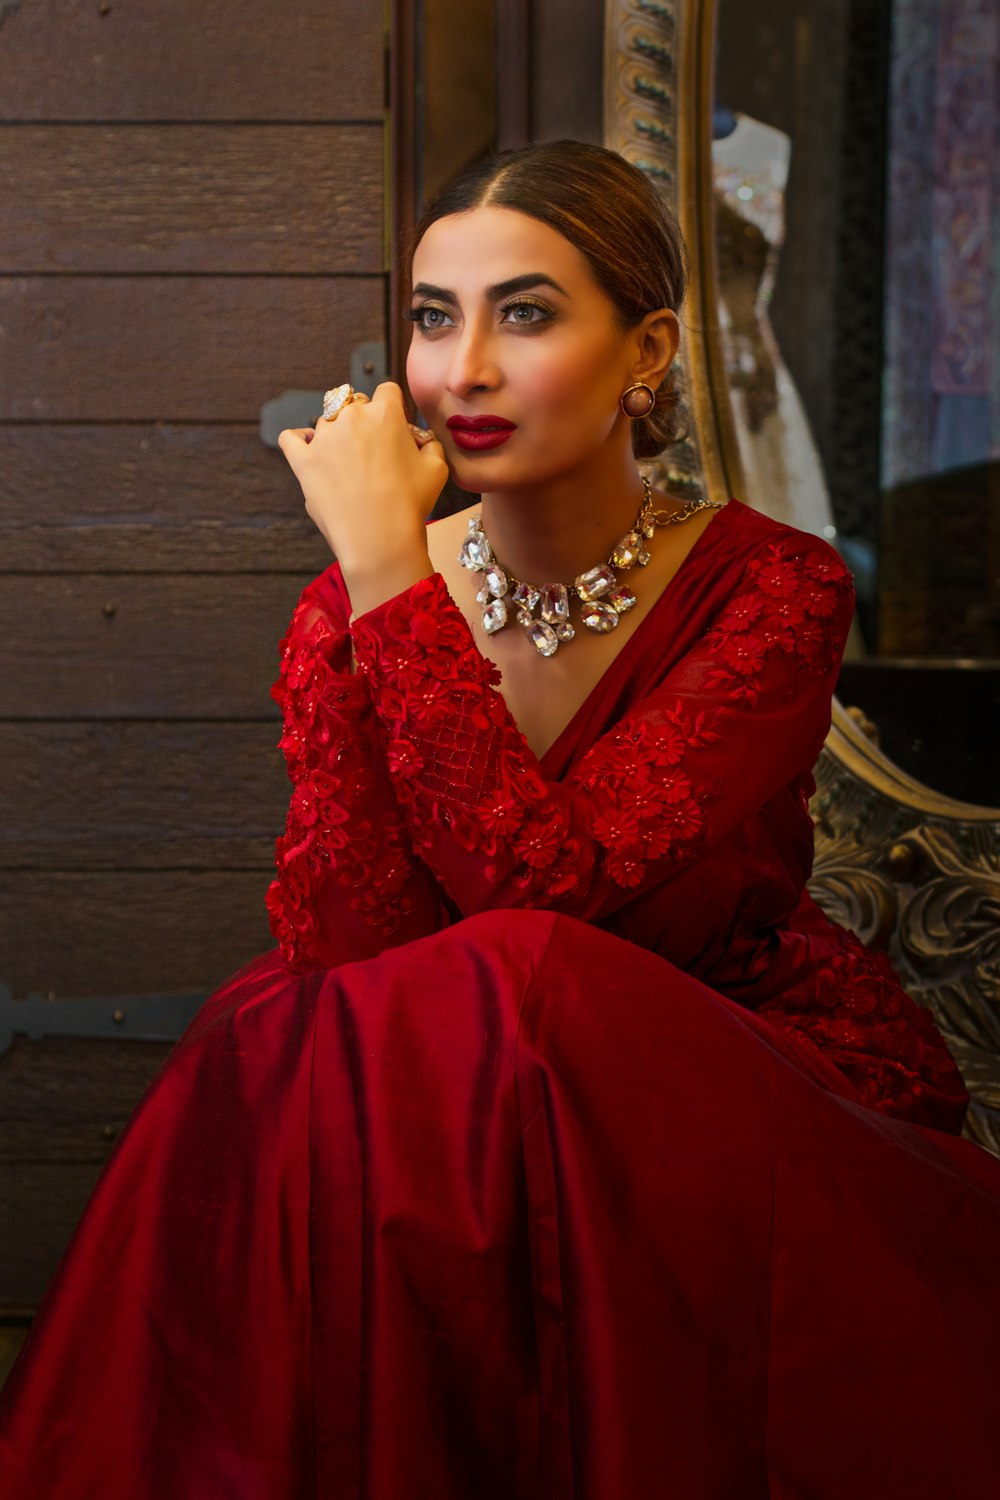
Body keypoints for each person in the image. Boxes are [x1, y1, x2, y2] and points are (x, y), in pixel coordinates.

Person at [2, 140, 999, 1499]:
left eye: (522, 314)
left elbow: (554, 905)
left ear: (648, 352)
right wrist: (380, 591)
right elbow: (369, 951)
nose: (459, 369)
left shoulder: (773, 592)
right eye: (431, 317)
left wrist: (388, 587)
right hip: (440, 1114)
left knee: (515, 975)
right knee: (321, 1039)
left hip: (726, 1073)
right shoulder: (354, 602)